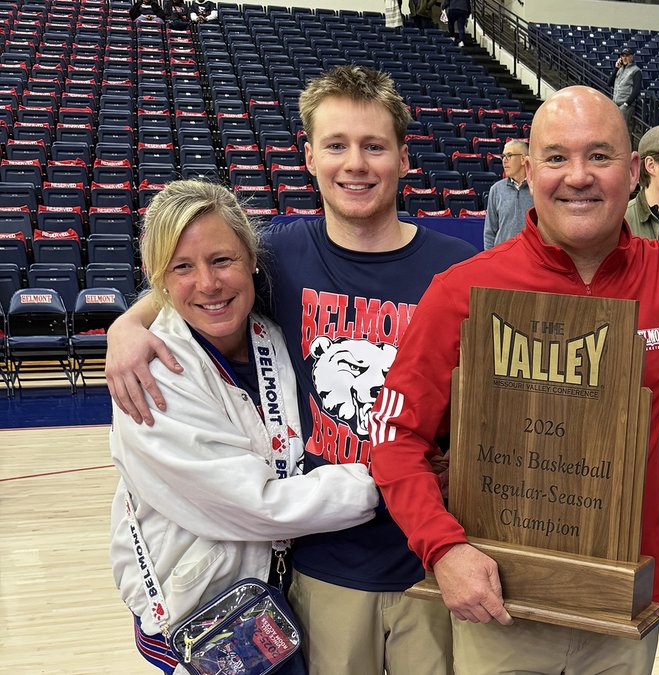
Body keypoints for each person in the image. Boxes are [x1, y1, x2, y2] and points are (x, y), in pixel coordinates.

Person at [105, 65, 477, 675]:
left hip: (429, 559)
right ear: (308, 157)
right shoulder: (280, 256)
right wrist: (130, 323)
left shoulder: (459, 268)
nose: (355, 163)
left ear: (404, 158)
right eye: (336, 145)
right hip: (321, 567)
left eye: (373, 145)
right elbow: (201, 280)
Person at [367, 86, 659, 674]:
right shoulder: (463, 291)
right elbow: (394, 439)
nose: (578, 176)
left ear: (631, 169)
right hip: (501, 609)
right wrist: (444, 549)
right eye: (556, 157)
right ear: (529, 168)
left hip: (623, 605)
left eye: (599, 156)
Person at [109, 180, 380, 675]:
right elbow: (255, 504)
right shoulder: (149, 375)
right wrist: (385, 482)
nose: (208, 283)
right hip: (202, 613)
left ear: (253, 258)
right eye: (182, 267)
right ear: (157, 277)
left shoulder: (271, 330)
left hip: (280, 591)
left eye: (222, 260)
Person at [483, 140, 533, 249]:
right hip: (502, 258)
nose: (504, 160)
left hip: (531, 257)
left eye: (509, 155)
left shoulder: (538, 189)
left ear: (523, 159)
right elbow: (489, 231)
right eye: (503, 156)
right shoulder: (496, 189)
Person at [609, 47, 643, 125]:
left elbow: (636, 89)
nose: (624, 58)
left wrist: (627, 103)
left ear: (631, 57)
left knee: (621, 128)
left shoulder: (636, 70)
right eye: (623, 56)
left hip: (625, 106)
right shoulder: (620, 69)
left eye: (626, 56)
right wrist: (616, 68)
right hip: (615, 104)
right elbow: (609, 83)